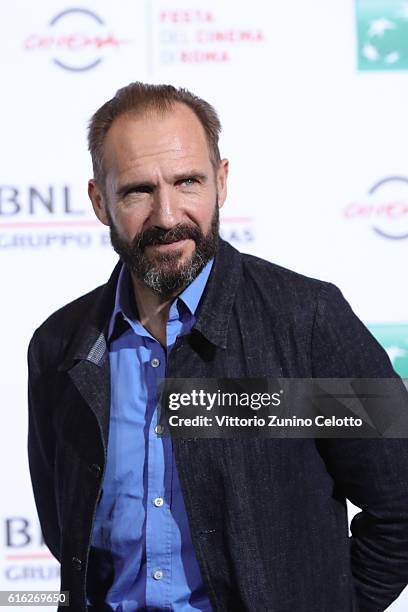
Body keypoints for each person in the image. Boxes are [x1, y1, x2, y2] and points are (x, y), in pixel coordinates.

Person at [27, 82, 408, 612]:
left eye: (188, 182)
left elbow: (400, 503)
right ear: (98, 201)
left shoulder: (306, 321)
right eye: (138, 190)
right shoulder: (60, 347)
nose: (166, 216)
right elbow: (65, 532)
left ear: (221, 182)